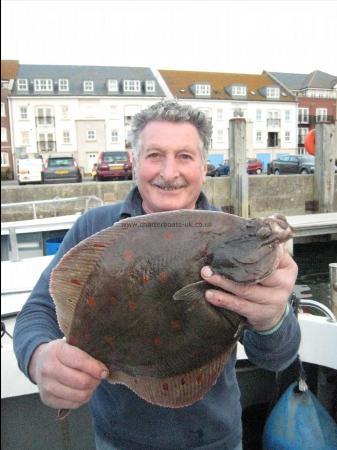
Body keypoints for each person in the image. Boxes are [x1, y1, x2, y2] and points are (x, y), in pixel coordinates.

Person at [14, 100, 300, 450]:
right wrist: (41, 357)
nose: (168, 172)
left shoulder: (232, 236)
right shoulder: (94, 228)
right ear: (135, 162)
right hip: (118, 441)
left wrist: (272, 318)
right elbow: (37, 313)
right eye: (154, 155)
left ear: (203, 166)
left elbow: (275, 357)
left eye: (184, 156)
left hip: (215, 441)